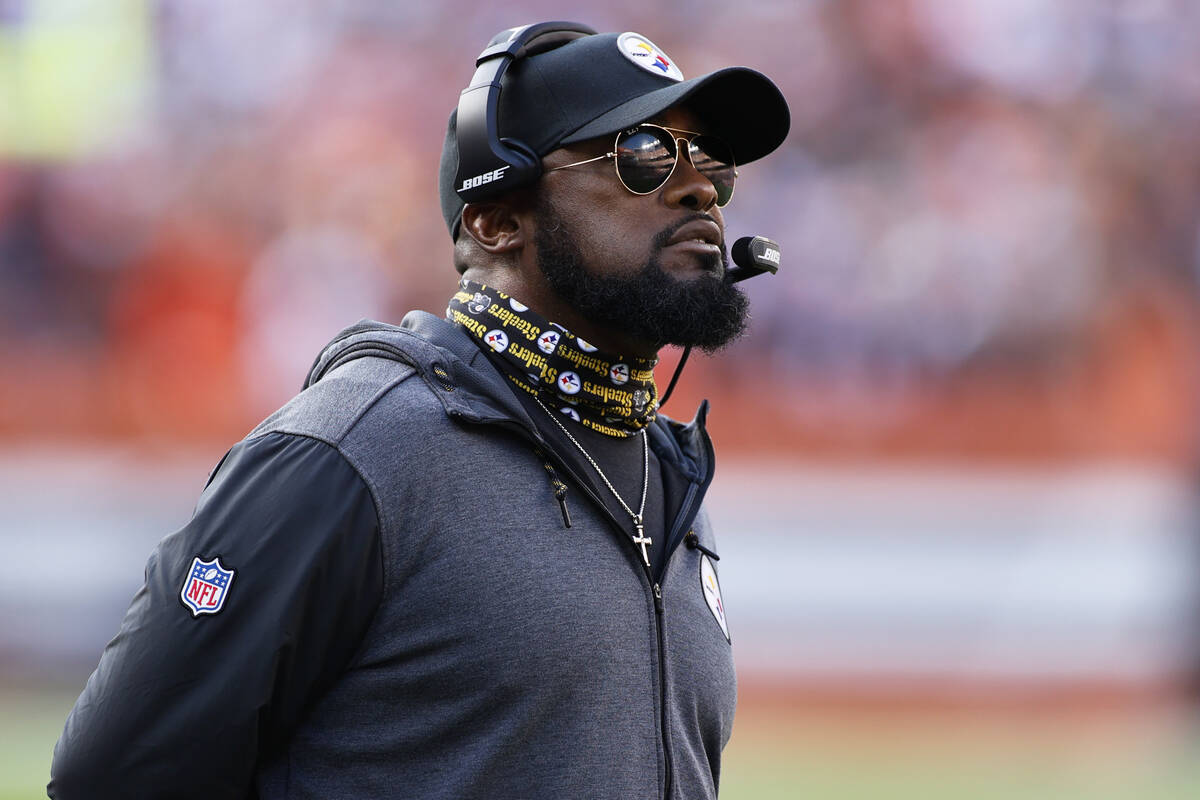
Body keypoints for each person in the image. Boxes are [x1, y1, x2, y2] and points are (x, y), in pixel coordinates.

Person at [48, 22, 789, 800]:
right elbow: (111, 778)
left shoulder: (671, 478)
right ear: (496, 220)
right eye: (643, 155)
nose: (699, 186)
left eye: (712, 162)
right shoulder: (352, 453)